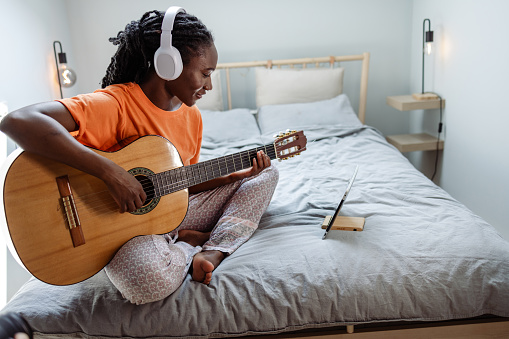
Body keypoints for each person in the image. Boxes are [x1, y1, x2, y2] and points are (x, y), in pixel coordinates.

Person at [0, 8, 278, 305]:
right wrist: (110, 173)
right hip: (122, 232)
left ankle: (213, 248)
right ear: (168, 64)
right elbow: (16, 121)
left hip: (171, 212)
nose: (209, 85)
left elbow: (179, 185)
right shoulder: (115, 104)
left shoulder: (192, 117)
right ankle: (186, 245)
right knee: (145, 280)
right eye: (205, 73)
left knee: (267, 174)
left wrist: (234, 177)